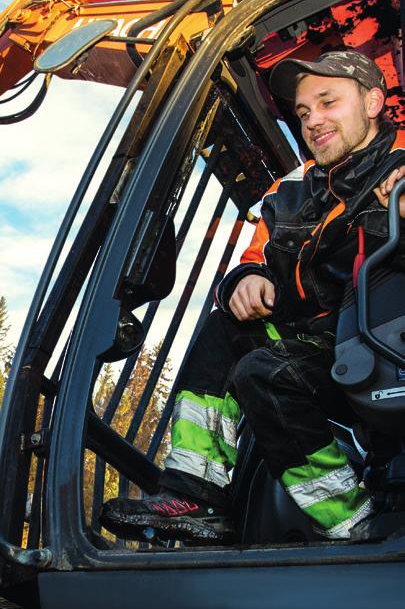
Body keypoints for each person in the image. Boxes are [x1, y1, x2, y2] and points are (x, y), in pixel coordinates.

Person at [101, 50, 405, 544]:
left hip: (382, 342)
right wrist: (245, 279)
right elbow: (255, 255)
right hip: (317, 347)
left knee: (265, 370)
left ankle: (357, 525)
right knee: (228, 332)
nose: (313, 121)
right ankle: (196, 493)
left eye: (328, 102)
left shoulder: (402, 164)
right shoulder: (292, 189)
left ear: (372, 101)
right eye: (304, 113)